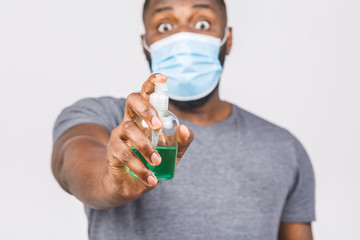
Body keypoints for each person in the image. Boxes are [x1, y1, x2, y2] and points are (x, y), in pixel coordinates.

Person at [51, 0, 315, 239]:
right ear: (146, 45)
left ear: (228, 38)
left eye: (202, 23)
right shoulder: (104, 118)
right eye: (164, 26)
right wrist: (109, 181)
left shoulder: (283, 148)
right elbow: (70, 158)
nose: (183, 37)